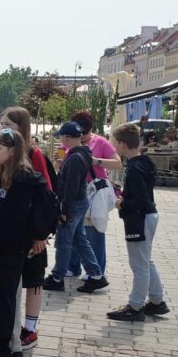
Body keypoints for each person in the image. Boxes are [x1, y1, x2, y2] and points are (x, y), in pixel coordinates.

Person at [0, 128, 51, 357]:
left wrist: (37, 236)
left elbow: (25, 214)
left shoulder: (24, 177)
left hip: (14, 246)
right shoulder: (6, 173)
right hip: (3, 245)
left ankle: (0, 352)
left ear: (12, 150)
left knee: (4, 298)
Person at [0, 106, 54, 351]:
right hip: (9, 229)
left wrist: (41, 234)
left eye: (8, 124)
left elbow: (45, 195)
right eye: (1, 123)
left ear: (21, 127)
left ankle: (30, 329)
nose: (3, 128)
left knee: (33, 280)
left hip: (30, 232)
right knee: (10, 284)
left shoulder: (33, 153)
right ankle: (9, 329)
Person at [107, 124, 168, 322]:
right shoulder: (144, 161)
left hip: (140, 218)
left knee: (139, 264)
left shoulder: (134, 168)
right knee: (145, 260)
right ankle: (157, 300)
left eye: (115, 142)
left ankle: (135, 306)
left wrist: (122, 202)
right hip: (148, 215)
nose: (114, 146)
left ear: (122, 145)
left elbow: (140, 200)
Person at [42, 122, 108, 293]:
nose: (61, 140)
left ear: (69, 138)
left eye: (63, 137)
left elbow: (70, 187)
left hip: (73, 204)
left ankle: (57, 277)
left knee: (64, 240)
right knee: (79, 239)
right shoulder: (83, 153)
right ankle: (96, 275)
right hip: (80, 201)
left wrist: (65, 211)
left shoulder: (75, 158)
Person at [65, 110, 121, 278]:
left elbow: (118, 163)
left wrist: (96, 161)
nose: (80, 136)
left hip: (94, 192)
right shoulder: (71, 140)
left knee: (94, 231)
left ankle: (96, 270)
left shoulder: (100, 142)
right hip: (75, 191)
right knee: (74, 230)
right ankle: (72, 266)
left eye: (84, 132)